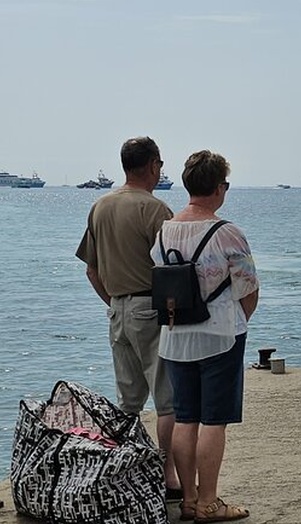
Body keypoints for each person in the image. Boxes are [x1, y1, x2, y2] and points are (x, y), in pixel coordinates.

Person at [151, 150, 259, 522]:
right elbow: (249, 289)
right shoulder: (228, 232)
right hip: (220, 334)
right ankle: (210, 503)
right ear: (217, 187)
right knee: (214, 419)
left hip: (176, 335)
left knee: (185, 417)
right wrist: (236, 321)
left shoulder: (165, 230)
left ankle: (189, 499)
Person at [75, 136, 182, 499]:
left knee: (128, 401)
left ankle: (128, 470)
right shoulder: (155, 210)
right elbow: (175, 269)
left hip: (117, 308)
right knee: (168, 399)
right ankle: (168, 476)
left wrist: (113, 302)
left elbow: (91, 270)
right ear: (153, 165)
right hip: (149, 307)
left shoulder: (100, 206)